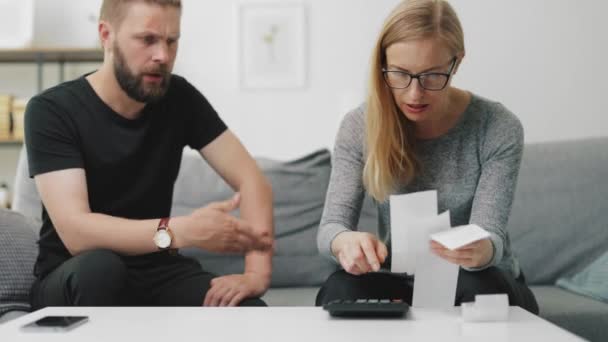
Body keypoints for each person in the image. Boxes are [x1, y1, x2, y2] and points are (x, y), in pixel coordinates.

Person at [25, 0, 274, 309]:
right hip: (75, 273)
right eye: (148, 39)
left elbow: (252, 181)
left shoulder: (179, 98)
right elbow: (78, 233)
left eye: (172, 41)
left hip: (156, 271)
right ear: (106, 35)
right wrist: (180, 231)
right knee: (102, 269)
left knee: (246, 309)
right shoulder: (51, 111)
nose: (163, 56)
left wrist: (255, 275)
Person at [315, 0, 538, 314]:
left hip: (476, 278)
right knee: (339, 287)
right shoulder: (359, 126)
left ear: (456, 63)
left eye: (432, 76)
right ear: (383, 65)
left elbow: (492, 234)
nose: (414, 94)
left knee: (481, 289)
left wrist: (482, 249)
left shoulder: (497, 126)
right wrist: (345, 242)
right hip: (397, 278)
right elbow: (331, 228)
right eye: (400, 74)